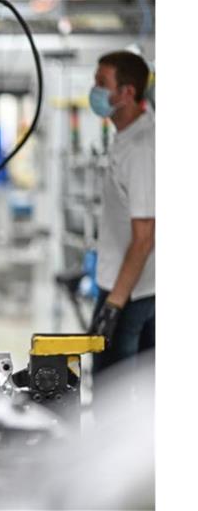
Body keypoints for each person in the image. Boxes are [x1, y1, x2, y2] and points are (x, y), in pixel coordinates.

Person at [87, 51, 155, 373]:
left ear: (127, 92)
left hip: (131, 294)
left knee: (113, 392)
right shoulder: (126, 136)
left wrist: (114, 305)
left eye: (102, 83)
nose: (94, 91)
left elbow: (144, 238)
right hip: (119, 284)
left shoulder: (143, 149)